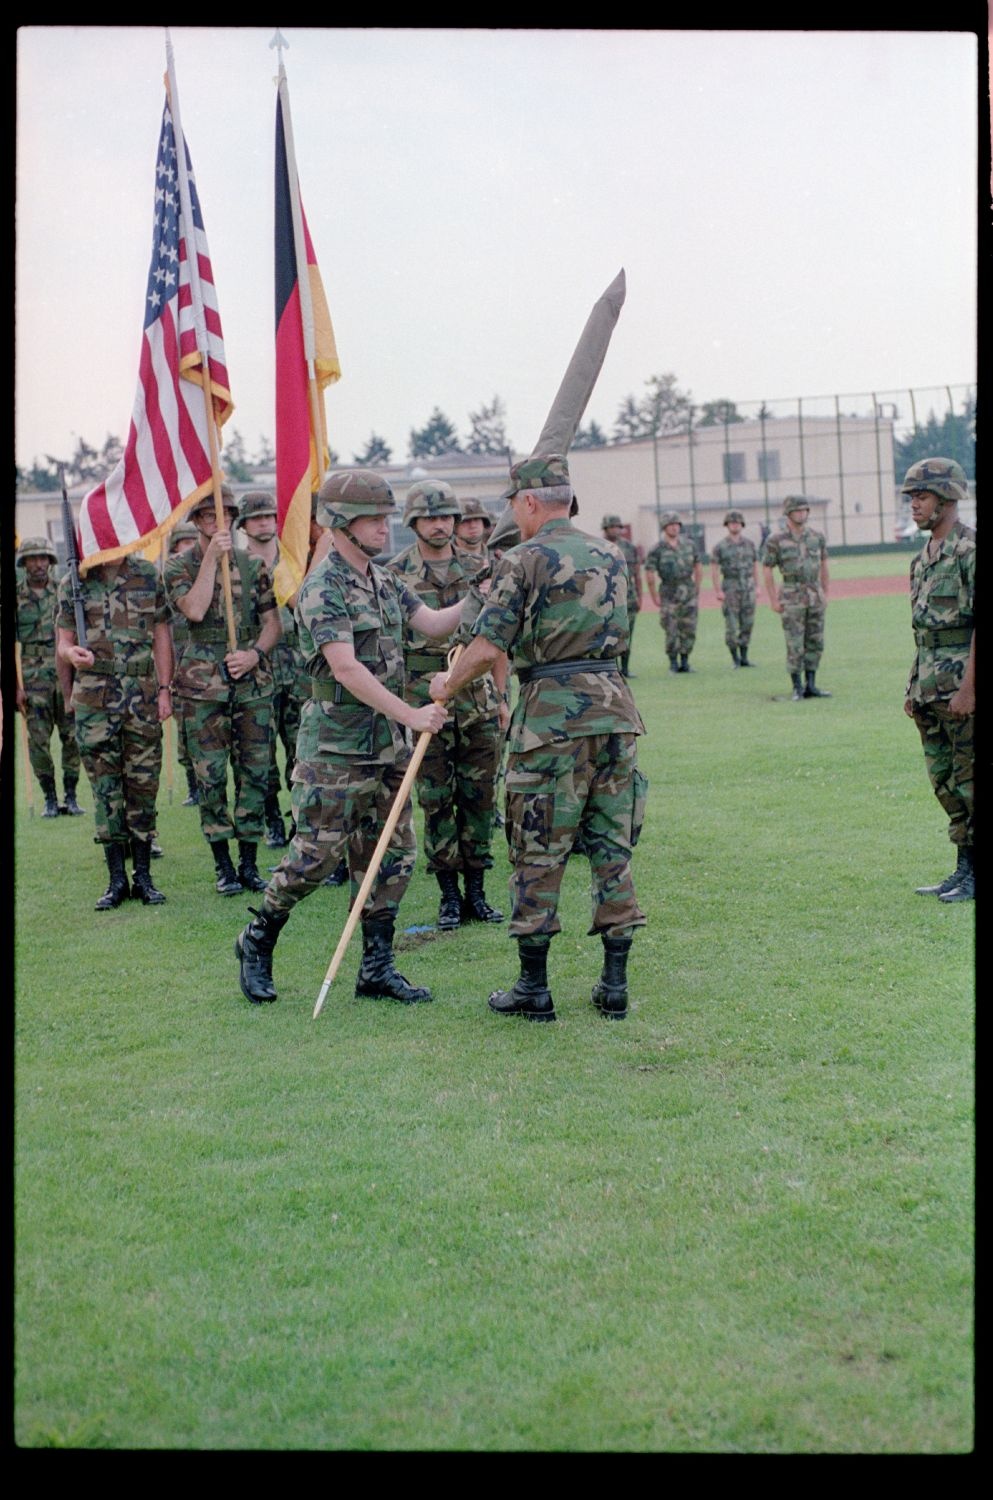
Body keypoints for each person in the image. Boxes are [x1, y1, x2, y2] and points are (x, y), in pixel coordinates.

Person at [429, 454, 647, 1023]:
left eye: (513, 506)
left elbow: (487, 644)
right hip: (616, 710)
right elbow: (626, 628)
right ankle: (615, 984)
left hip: (551, 719)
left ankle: (534, 987)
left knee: (537, 846)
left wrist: (446, 686)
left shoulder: (521, 559)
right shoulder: (612, 553)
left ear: (528, 503)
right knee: (611, 846)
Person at [235, 470, 465, 1006]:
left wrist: (485, 592)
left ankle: (376, 969)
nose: (385, 528)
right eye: (372, 519)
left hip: (386, 746)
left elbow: (433, 623)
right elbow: (346, 669)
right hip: (335, 751)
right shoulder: (322, 587)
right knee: (315, 856)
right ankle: (257, 939)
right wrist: (411, 713)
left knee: (392, 856)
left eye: (385, 518)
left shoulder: (384, 581)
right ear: (340, 522)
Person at [387, 480, 505, 929]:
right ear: (413, 522)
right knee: (436, 798)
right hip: (423, 697)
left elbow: (497, 638)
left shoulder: (482, 569)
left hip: (475, 696)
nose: (440, 525)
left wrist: (501, 695)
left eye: (446, 516)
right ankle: (449, 896)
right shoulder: (395, 574)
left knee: (479, 796)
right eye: (430, 517)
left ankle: (477, 891)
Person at [165, 486, 282, 896]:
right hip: (202, 688)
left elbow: (273, 625)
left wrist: (253, 654)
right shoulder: (179, 567)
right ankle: (223, 866)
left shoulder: (253, 565)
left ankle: (249, 864)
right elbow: (194, 610)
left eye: (227, 514)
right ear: (197, 521)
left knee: (255, 773)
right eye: (211, 516)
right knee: (210, 777)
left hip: (251, 685)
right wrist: (212, 558)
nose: (221, 522)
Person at [55, 549, 172, 907]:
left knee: (143, 787)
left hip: (142, 696)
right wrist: (71, 654)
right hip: (94, 697)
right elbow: (62, 642)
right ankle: (116, 880)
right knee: (106, 791)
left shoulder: (148, 574)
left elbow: (161, 633)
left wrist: (165, 688)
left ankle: (144, 878)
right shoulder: (73, 581)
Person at [901, 457, 975, 902]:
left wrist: (969, 689)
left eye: (921, 496)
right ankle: (964, 868)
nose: (914, 505)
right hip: (929, 687)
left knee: (971, 781)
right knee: (946, 783)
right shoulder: (922, 559)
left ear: (947, 498)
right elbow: (923, 631)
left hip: (962, 687)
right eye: (911, 497)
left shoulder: (969, 551)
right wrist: (912, 686)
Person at [234, 490, 310, 850]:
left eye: (270, 516)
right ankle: (271, 823)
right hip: (257, 671)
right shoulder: (235, 566)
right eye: (256, 517)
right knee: (259, 756)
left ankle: (299, 822)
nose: (265, 522)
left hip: (297, 669)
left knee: (301, 751)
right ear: (244, 525)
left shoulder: (294, 561)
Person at [15, 536, 85, 817]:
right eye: (33, 559)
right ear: (24, 563)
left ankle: (70, 795)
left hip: (65, 673)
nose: (39, 564)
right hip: (33, 680)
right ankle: (49, 798)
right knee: (38, 741)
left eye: (44, 558)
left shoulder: (63, 591)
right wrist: (15, 687)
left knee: (73, 736)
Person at [761, 496, 831, 700]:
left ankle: (811, 685)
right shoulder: (776, 540)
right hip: (791, 596)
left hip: (814, 594)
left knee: (815, 641)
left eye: (805, 510)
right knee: (794, 643)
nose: (802, 514)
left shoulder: (816, 537)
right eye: (797, 511)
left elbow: (824, 564)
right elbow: (767, 568)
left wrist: (825, 592)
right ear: (788, 514)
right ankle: (796, 687)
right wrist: (773, 599)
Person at [167, 522, 202, 807]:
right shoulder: (171, 582)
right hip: (179, 669)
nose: (190, 546)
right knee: (185, 733)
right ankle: (193, 786)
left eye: (194, 540)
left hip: (207, 669)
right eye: (184, 542)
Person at [645, 511, 701, 673]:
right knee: (671, 628)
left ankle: (685, 661)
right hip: (669, 591)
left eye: (677, 525)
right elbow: (650, 572)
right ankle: (673, 662)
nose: (674, 528)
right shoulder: (657, 549)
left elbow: (697, 565)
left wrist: (696, 587)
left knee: (689, 627)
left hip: (688, 590)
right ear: (664, 527)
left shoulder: (689, 545)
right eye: (671, 525)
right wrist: (654, 595)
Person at [710, 509, 761, 667]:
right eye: (732, 523)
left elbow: (754, 566)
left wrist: (757, 586)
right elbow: (714, 569)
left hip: (747, 587)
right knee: (732, 626)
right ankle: (735, 658)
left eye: (737, 523)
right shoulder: (720, 546)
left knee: (747, 623)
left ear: (742, 525)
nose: (735, 525)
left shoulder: (749, 544)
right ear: (727, 525)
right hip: (730, 587)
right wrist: (718, 590)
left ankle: (744, 656)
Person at [600, 514, 643, 677]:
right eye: (613, 527)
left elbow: (637, 574)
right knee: (609, 634)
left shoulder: (629, 547)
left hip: (628, 596)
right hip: (606, 596)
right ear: (605, 529)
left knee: (627, 632)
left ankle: (625, 668)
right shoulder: (598, 546)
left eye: (618, 527)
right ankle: (613, 669)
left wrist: (639, 596)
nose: (616, 530)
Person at [453, 496, 494, 561]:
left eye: (477, 519)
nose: (473, 526)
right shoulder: (445, 558)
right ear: (455, 527)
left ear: (484, 523)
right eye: (466, 521)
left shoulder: (497, 558)